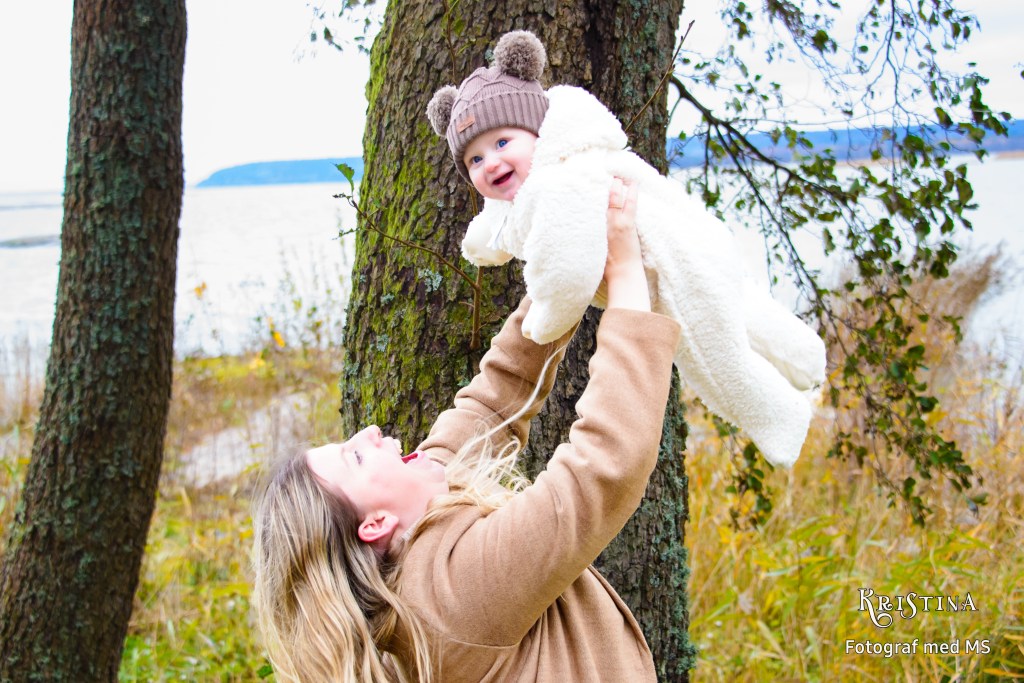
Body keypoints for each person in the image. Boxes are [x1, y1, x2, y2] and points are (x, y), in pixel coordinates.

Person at [251, 178, 681, 682]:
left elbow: (498, 395)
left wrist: (563, 266)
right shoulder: (454, 594)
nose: (368, 431)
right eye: (356, 457)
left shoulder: (422, 524)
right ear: (375, 524)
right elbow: (605, 467)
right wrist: (626, 274)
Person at [425, 29, 826, 468]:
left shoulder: (557, 184)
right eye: (475, 159)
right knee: (744, 308)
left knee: (717, 361)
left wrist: (546, 318)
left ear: (536, 132)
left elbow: (568, 273)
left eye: (502, 143)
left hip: (673, 272)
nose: (491, 163)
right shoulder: (548, 171)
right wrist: (480, 245)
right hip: (700, 244)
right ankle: (807, 358)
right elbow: (499, 221)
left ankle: (784, 423)